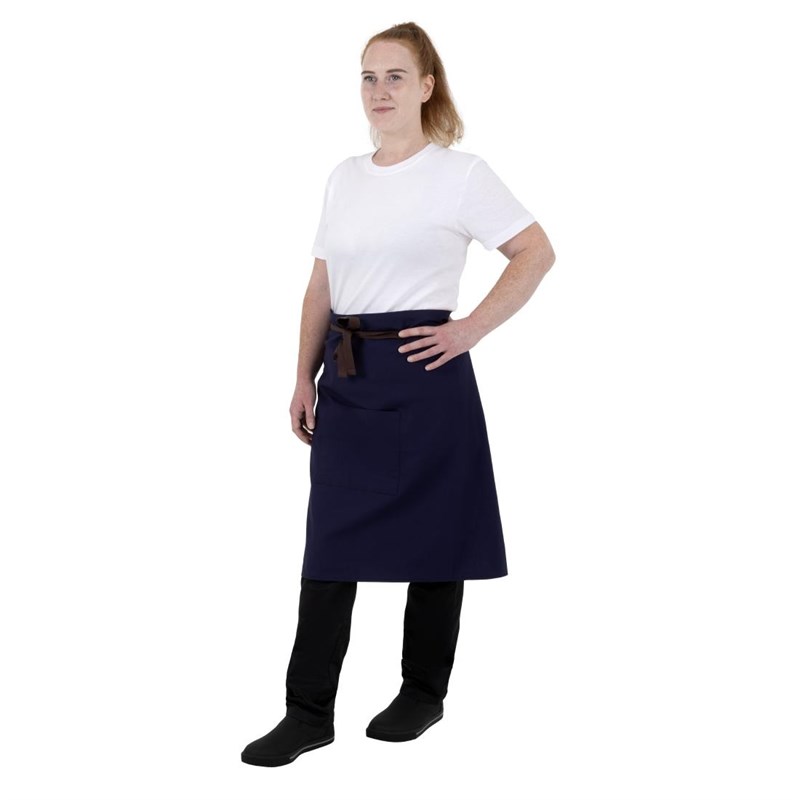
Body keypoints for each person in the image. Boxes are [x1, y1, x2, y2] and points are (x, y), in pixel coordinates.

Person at [241, 21, 555, 768]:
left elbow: (535, 251)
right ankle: (307, 712)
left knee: (438, 538)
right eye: (368, 76)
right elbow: (321, 283)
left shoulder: (462, 174)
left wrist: (468, 329)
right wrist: (301, 375)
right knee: (329, 546)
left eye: (394, 77)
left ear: (426, 87)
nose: (378, 91)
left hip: (426, 375)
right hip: (349, 376)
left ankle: (422, 693)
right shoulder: (344, 177)